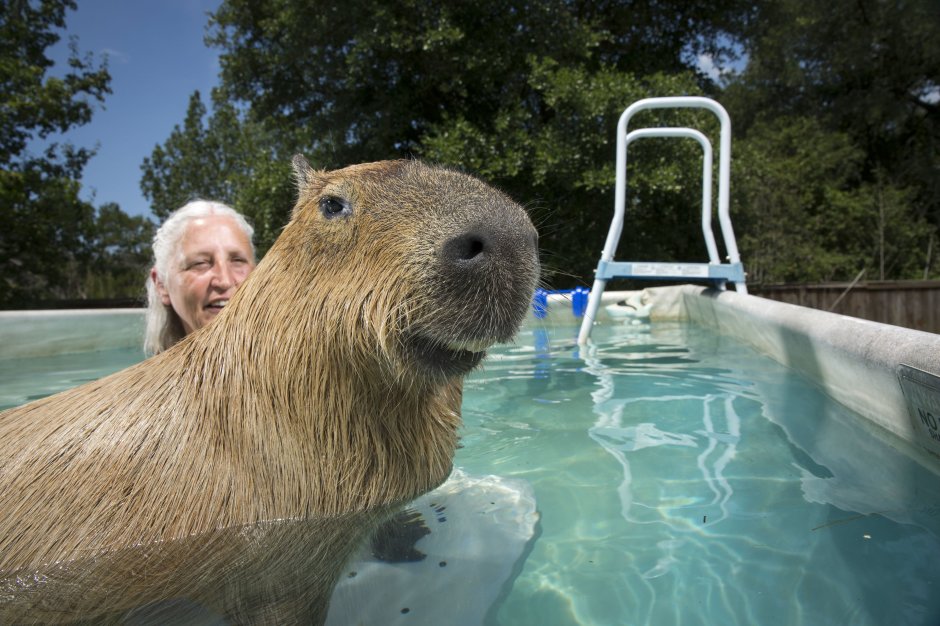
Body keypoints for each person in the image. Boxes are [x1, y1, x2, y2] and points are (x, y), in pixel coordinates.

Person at [144, 200, 256, 356]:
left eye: (238, 261)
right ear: (161, 285)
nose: (225, 281)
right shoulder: (148, 380)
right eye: (200, 263)